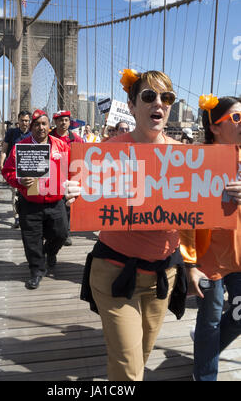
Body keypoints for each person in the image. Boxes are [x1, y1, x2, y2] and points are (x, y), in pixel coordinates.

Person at [65, 69, 188, 381]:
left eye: (166, 97)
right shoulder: (106, 154)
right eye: (148, 96)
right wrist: (76, 193)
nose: (158, 103)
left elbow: (199, 216)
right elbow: (87, 193)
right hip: (115, 273)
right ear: (132, 106)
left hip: (163, 274)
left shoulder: (187, 158)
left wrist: (228, 199)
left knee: (140, 356)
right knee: (129, 370)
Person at [180, 95, 241, 381]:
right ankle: (204, 375)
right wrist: (189, 262)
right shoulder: (196, 161)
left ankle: (206, 349)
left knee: (238, 316)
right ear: (215, 127)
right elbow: (184, 216)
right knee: (212, 319)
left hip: (239, 255)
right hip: (208, 258)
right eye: (237, 118)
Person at [2, 109, 69, 290]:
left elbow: (71, 169)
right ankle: (37, 271)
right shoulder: (19, 148)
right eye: (37, 124)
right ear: (31, 127)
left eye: (44, 124)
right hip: (30, 201)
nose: (41, 127)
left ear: (50, 126)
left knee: (61, 233)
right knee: (31, 239)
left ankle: (49, 252)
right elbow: (7, 171)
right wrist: (19, 180)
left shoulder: (61, 146)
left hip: (55, 201)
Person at [50, 110, 84, 246]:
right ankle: (52, 232)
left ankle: (66, 233)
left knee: (68, 206)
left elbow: (83, 154)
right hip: (52, 177)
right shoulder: (48, 137)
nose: (63, 123)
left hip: (70, 177)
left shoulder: (76, 138)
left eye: (66, 120)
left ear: (69, 122)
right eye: (60, 120)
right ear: (55, 122)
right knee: (53, 206)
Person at [0, 110, 32, 228]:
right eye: (22, 120)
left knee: (30, 192)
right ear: (18, 121)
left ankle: (27, 215)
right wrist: (2, 164)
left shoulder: (34, 134)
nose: (25, 123)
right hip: (14, 168)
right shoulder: (11, 133)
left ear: (30, 121)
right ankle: (17, 217)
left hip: (29, 168)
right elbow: (4, 150)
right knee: (15, 194)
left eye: (27, 121)